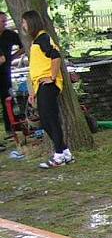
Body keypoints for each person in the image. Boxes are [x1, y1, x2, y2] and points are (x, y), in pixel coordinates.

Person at [21, 10, 74, 169]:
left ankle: (58, 156)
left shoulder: (43, 38)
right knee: (44, 121)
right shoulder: (36, 41)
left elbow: (56, 56)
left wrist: (51, 77)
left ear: (31, 22)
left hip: (48, 85)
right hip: (40, 86)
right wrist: (33, 91)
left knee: (50, 120)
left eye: (24, 22)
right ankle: (65, 153)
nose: (22, 25)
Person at [0, 12, 23, 148]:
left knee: (7, 100)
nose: (5, 24)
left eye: (5, 21)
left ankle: (11, 129)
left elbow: (23, 45)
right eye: (2, 21)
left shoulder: (9, 35)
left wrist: (12, 58)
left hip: (4, 73)